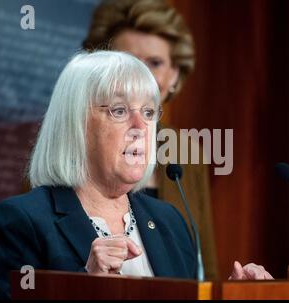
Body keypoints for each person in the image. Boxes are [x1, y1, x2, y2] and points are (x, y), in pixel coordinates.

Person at [0, 51, 272, 300]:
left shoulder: (170, 222)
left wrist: (234, 295)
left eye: (150, 112)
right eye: (119, 110)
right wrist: (85, 287)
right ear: (77, 125)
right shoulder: (18, 223)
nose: (142, 126)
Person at [82, 0, 220, 280]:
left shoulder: (186, 152)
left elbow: (203, 263)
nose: (140, 76)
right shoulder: (74, 142)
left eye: (154, 63)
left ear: (174, 77)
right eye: (127, 61)